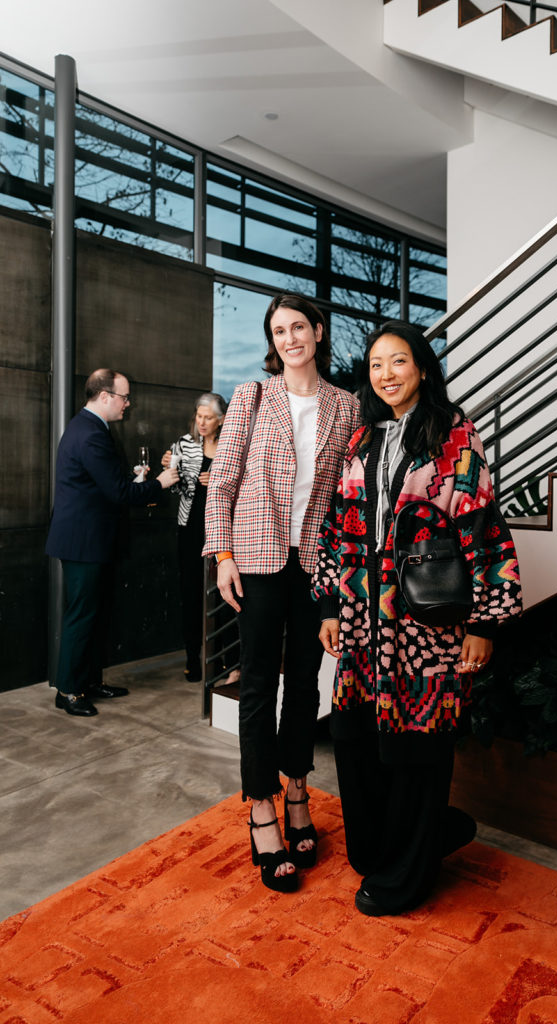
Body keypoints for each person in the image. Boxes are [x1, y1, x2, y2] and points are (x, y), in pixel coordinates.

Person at [312, 321, 523, 917]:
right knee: (355, 742)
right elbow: (337, 531)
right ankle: (394, 846)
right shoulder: (360, 441)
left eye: (398, 361)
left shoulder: (453, 434)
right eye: (377, 364)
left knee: (418, 748)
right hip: (359, 622)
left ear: (422, 368)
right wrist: (329, 604)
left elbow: (481, 525)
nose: (386, 374)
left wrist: (484, 622)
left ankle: (410, 872)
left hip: (424, 625)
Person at [204, 292, 360, 893]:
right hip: (257, 560)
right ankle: (262, 806)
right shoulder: (252, 396)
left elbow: (345, 499)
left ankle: (299, 790)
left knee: (305, 681)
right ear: (273, 341)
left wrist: (339, 577)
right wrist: (222, 555)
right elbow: (224, 483)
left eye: (299, 327)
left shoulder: (345, 406)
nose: (290, 338)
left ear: (319, 332)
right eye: (279, 330)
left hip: (315, 563)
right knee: (258, 683)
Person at [46, 368, 179, 717]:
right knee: (82, 615)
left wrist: (135, 481)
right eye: (124, 397)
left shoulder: (88, 428)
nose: (128, 403)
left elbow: (104, 485)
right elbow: (117, 492)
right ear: (104, 396)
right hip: (83, 542)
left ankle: (87, 681)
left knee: (94, 614)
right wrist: (160, 484)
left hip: (89, 539)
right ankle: (69, 691)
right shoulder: (90, 433)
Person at [161, 392, 228, 682]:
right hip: (190, 530)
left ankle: (225, 658)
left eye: (208, 417)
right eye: (198, 416)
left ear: (221, 420)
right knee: (190, 594)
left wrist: (218, 481)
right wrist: (170, 471)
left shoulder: (231, 446)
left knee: (223, 596)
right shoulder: (183, 445)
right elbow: (176, 489)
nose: (201, 422)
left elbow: (244, 484)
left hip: (222, 531)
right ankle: (192, 658)